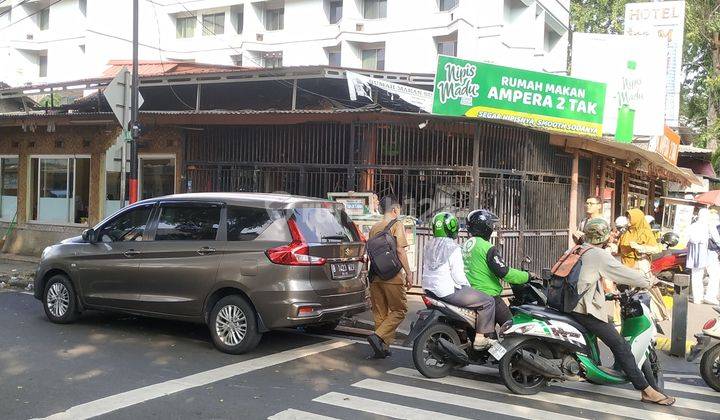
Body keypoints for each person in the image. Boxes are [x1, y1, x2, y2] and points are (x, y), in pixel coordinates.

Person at [575, 218, 675, 406]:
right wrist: (648, 281)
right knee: (620, 345)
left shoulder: (576, 249)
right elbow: (622, 272)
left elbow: (584, 280)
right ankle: (646, 391)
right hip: (582, 309)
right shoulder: (598, 254)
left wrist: (607, 295)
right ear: (604, 236)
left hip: (568, 305)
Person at [422, 212, 497, 350]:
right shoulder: (453, 247)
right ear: (452, 228)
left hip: (428, 289)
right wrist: (469, 288)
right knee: (488, 302)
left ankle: (462, 335)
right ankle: (480, 339)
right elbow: (458, 277)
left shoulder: (428, 245)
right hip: (446, 291)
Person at [462, 209, 529, 327]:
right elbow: (504, 272)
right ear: (485, 227)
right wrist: (527, 276)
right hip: (488, 294)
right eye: (491, 225)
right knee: (511, 327)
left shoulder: (467, 245)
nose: (492, 228)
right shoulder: (487, 247)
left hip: (471, 293)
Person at [366, 196, 412, 359]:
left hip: (375, 276)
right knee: (399, 310)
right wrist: (409, 272)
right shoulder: (397, 224)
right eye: (399, 209)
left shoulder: (374, 227)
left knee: (380, 312)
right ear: (394, 210)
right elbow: (400, 250)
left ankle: (382, 348)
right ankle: (378, 337)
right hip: (392, 277)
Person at [618, 208, 667, 320]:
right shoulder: (626, 232)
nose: (628, 219)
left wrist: (640, 247)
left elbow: (656, 249)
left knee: (642, 293)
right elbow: (619, 247)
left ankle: (652, 316)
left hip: (639, 265)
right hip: (625, 265)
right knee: (625, 294)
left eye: (630, 217)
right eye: (627, 217)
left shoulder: (645, 232)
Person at [687, 208, 720, 304]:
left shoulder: (692, 226)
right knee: (715, 274)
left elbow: (686, 238)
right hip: (707, 253)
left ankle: (697, 298)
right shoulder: (709, 226)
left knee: (697, 275)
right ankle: (710, 296)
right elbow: (717, 239)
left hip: (693, 254)